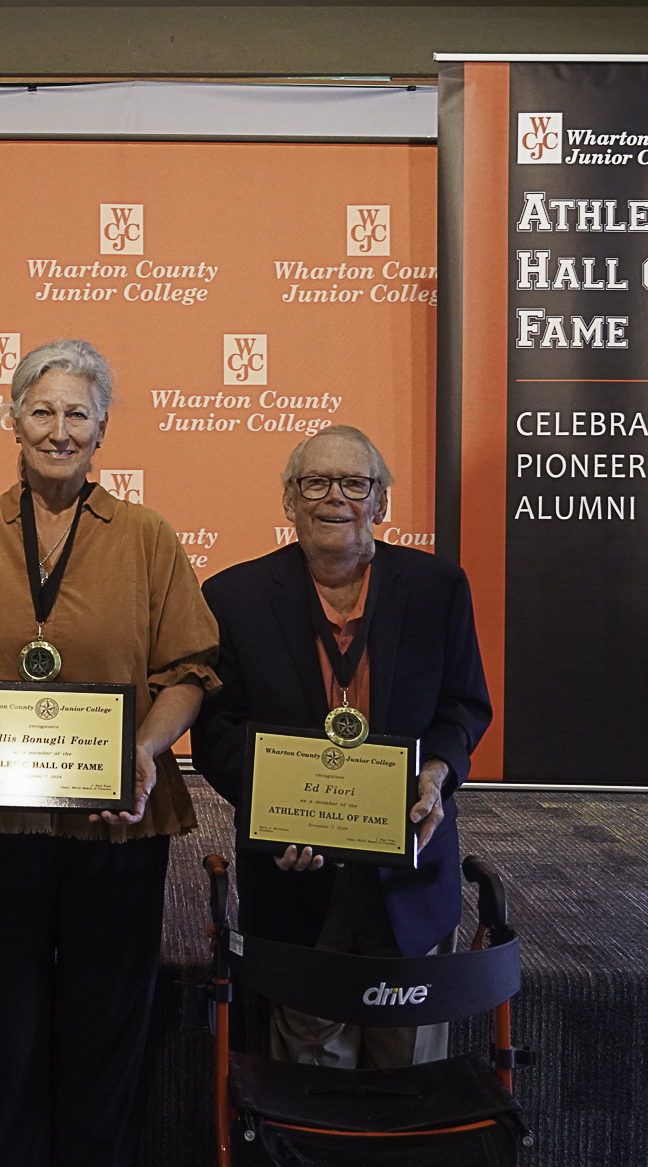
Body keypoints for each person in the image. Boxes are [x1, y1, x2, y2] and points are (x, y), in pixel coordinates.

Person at [0, 338, 219, 1167]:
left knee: (107, 1027)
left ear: (103, 427)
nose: (60, 428)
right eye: (43, 410)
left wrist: (147, 746)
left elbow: (188, 669)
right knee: (2, 1028)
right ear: (12, 419)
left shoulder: (148, 535)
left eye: (78, 412)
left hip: (117, 819)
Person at [193, 424, 491, 1070]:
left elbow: (464, 706)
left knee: (407, 1075)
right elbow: (216, 733)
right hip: (294, 877)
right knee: (308, 1075)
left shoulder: (439, 589)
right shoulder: (233, 599)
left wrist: (437, 773)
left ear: (381, 502)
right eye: (315, 483)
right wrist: (278, 809)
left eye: (355, 483)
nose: (335, 498)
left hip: (410, 872)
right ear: (288, 499)